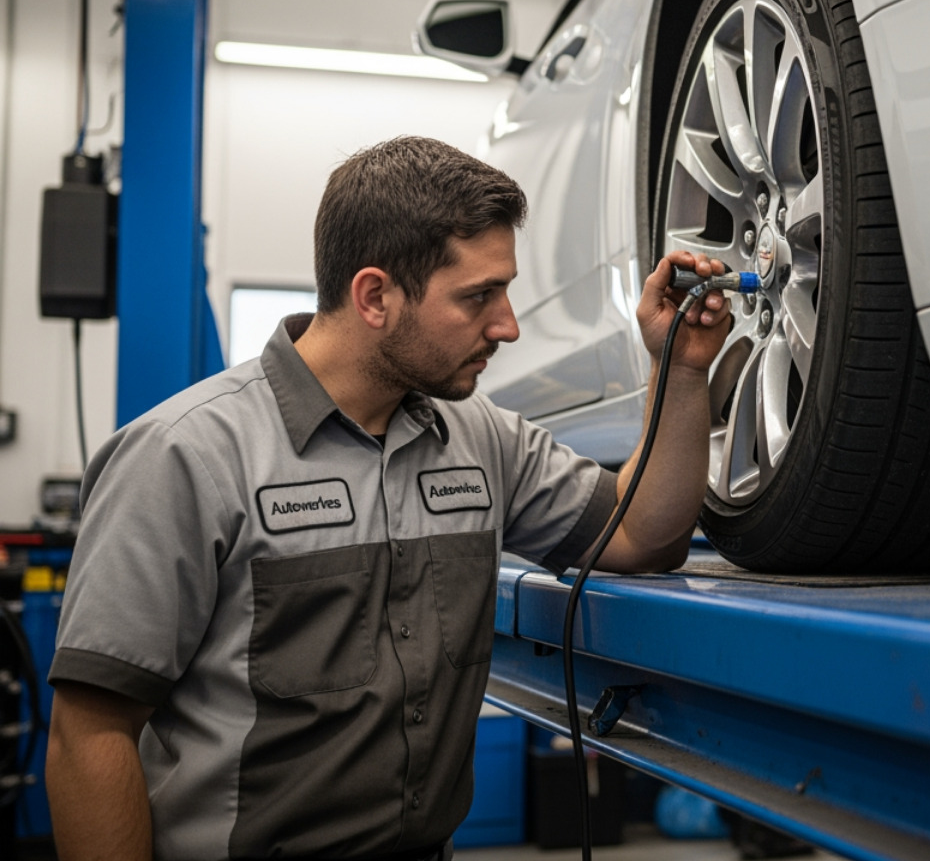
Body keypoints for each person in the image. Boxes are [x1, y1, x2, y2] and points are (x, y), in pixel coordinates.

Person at [44, 136, 732, 861]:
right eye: (478, 298)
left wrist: (679, 368)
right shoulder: (183, 456)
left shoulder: (482, 441)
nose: (508, 325)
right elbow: (91, 735)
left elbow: (641, 537)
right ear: (375, 296)